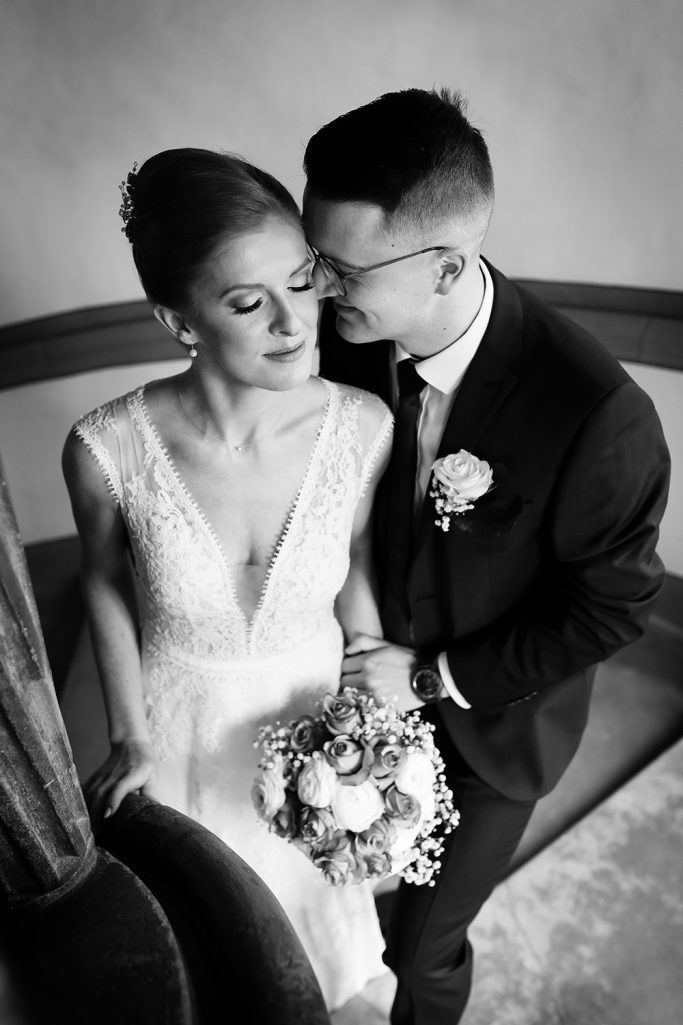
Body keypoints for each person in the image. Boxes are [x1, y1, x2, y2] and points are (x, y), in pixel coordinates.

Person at [302, 87, 670, 1024]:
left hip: (490, 726)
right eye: (316, 258)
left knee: (419, 951)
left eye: (341, 268)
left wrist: (427, 678)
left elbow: (610, 608)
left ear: (446, 266)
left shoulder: (594, 412)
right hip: (343, 671)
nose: (319, 288)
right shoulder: (340, 342)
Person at [62, 148, 392, 1010]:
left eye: (302, 281)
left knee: (313, 956)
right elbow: (100, 581)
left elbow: (354, 557)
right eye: (249, 303)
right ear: (180, 321)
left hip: (312, 708)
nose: (295, 322)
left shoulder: (363, 426)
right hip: (182, 721)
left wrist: (370, 670)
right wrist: (130, 734)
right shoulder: (107, 447)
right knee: (210, 955)